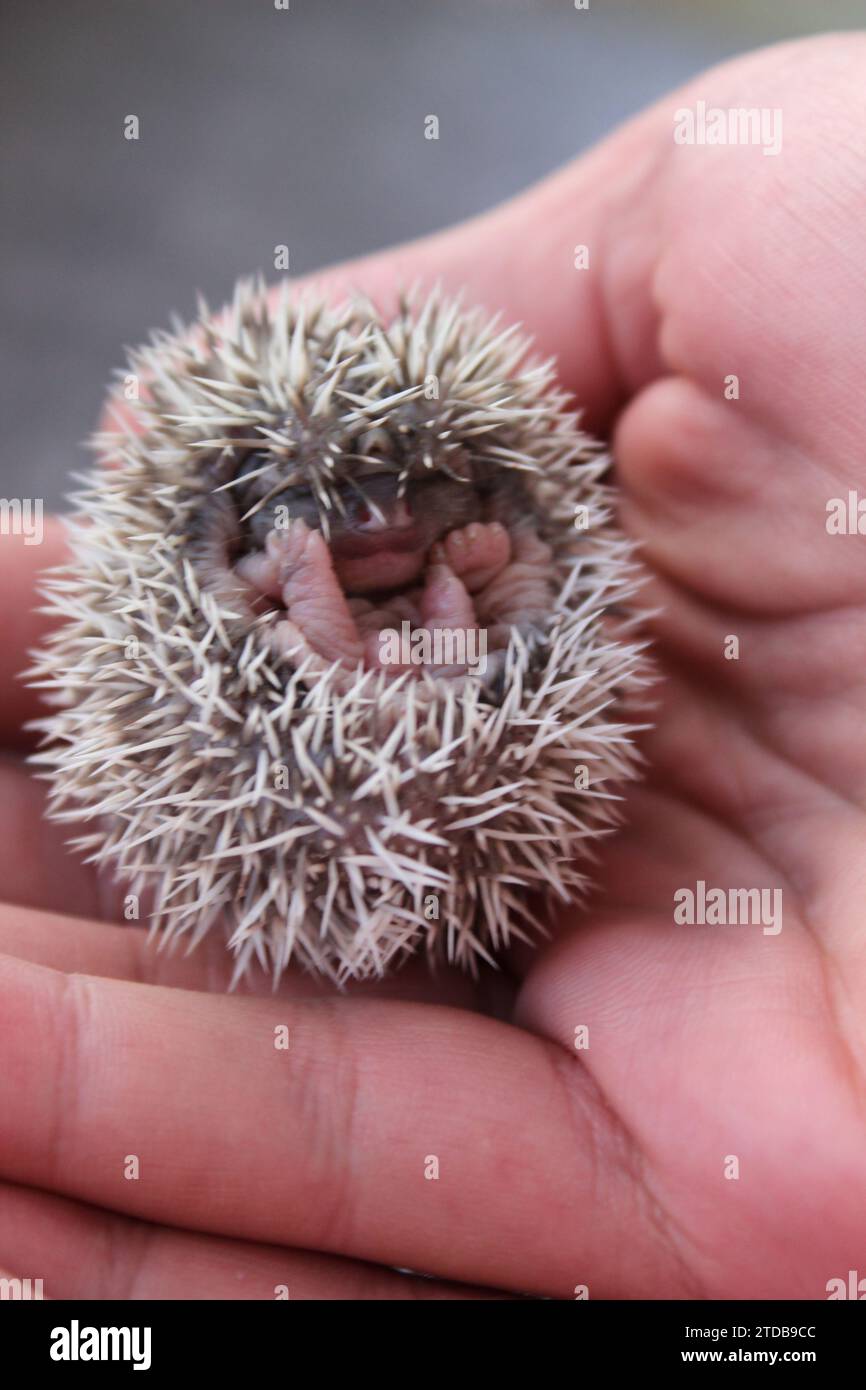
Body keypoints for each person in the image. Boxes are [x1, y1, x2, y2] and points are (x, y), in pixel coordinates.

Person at [1, 33, 864, 1299]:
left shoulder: (483, 522)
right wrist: (381, 592)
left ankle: (384, 630)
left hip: (439, 688)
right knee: (361, 662)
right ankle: (364, 628)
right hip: (333, 705)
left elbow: (535, 574)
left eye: (408, 500)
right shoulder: (251, 546)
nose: (377, 529)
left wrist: (407, 590)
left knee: (465, 657)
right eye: (332, 519)